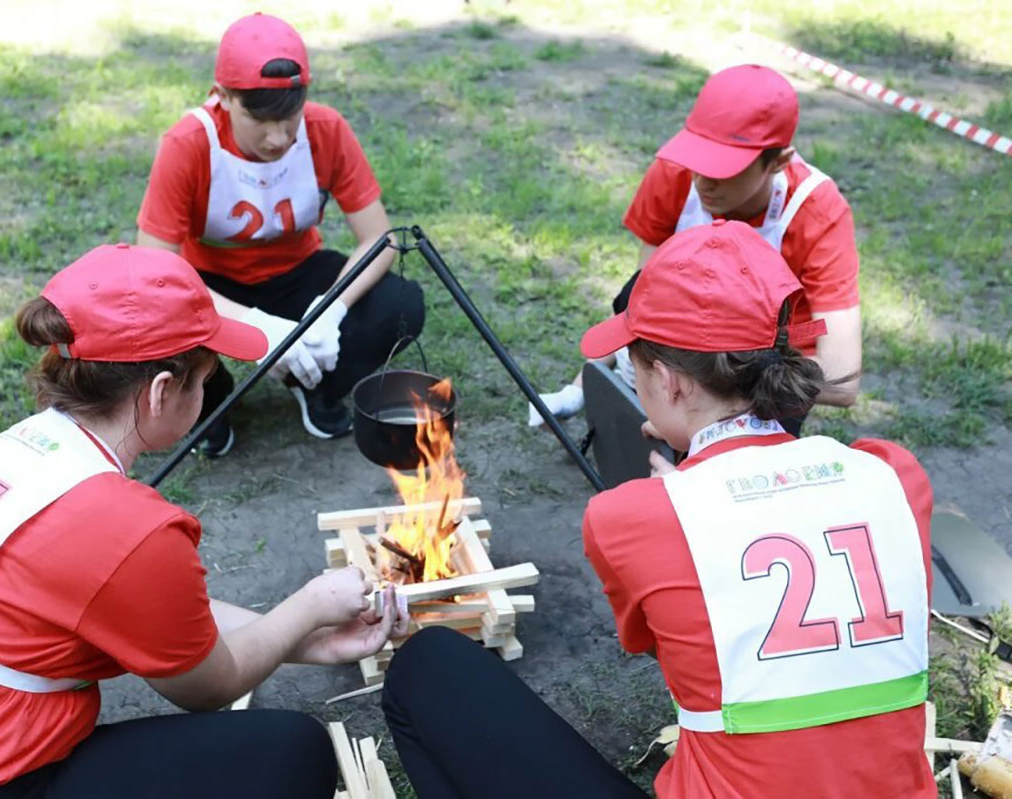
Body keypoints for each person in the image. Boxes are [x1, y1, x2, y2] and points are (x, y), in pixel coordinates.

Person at [0, 244, 408, 798]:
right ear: (161, 391)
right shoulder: (130, 530)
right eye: (208, 378)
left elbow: (154, 616)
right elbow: (207, 687)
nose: (211, 391)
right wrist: (305, 606)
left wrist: (310, 640)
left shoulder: (25, 449)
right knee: (290, 753)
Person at [384, 222, 934, 798]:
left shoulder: (633, 519)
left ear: (669, 382)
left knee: (428, 668)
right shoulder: (894, 475)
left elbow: (653, 643)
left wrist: (683, 498)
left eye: (634, 367)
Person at [137, 12, 424, 454]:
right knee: (152, 312)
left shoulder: (326, 129)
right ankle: (205, 397)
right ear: (223, 97)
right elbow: (154, 270)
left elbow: (380, 239)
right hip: (212, 284)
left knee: (400, 304)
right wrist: (253, 325)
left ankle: (314, 380)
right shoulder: (188, 144)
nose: (277, 138)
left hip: (297, 274)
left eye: (289, 118)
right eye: (259, 119)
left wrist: (331, 309)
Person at [531, 64, 862, 436]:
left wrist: (712, 416)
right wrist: (580, 386)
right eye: (698, 160)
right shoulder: (676, 173)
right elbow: (643, 302)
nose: (703, 181)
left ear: (778, 162)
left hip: (766, 371)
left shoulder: (818, 213)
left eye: (724, 168)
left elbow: (841, 376)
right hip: (681, 351)